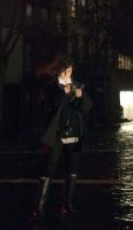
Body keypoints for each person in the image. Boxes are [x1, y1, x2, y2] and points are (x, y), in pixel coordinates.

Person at [31, 56, 92, 221]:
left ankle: (67, 205)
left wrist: (81, 97)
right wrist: (64, 93)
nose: (68, 74)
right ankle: (39, 207)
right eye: (65, 71)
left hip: (75, 133)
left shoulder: (77, 84)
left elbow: (86, 107)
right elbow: (51, 107)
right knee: (48, 170)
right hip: (57, 134)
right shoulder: (51, 87)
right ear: (59, 71)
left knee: (72, 170)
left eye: (70, 71)